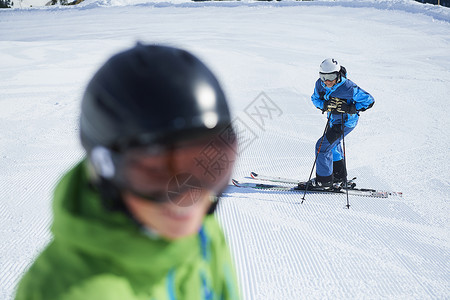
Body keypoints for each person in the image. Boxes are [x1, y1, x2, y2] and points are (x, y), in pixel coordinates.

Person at [15, 44, 240, 299]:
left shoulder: (202, 232)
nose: (187, 196)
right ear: (105, 169)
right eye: (155, 172)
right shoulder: (65, 292)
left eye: (205, 165)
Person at [305, 58, 374, 189]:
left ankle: (324, 181)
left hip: (346, 122)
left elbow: (369, 101)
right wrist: (325, 104)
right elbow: (315, 99)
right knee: (333, 147)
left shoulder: (348, 87)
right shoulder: (320, 84)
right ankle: (339, 177)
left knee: (322, 147)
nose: (327, 81)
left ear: (338, 75)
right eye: (323, 77)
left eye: (331, 77)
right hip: (332, 120)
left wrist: (350, 108)